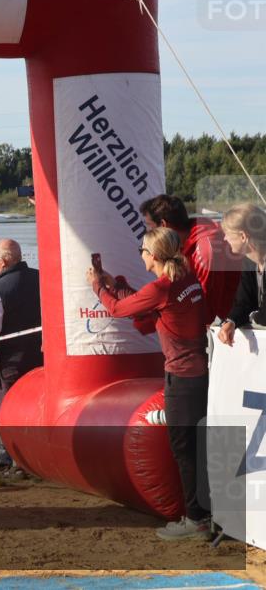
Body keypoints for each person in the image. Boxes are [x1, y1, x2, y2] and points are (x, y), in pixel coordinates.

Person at [87, 227, 213, 541]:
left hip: (182, 378)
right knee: (197, 448)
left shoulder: (163, 286)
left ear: (153, 255)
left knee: (184, 449)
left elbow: (118, 310)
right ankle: (205, 515)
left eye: (142, 249)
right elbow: (144, 306)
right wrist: (117, 285)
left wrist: (98, 288)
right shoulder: (185, 279)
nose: (140, 254)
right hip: (198, 375)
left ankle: (197, 519)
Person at [0, 239, 42, 472]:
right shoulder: (41, 278)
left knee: (10, 413)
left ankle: (19, 462)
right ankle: (36, 459)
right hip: (40, 357)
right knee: (36, 409)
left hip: (11, 362)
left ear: (4, 261)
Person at [140, 194, 241, 321]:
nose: (148, 233)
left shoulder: (205, 249)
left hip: (224, 328)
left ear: (163, 225)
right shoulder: (184, 242)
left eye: (150, 227)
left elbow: (206, 309)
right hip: (217, 323)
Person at [218, 203, 266, 345]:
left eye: (227, 234)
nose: (225, 239)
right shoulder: (249, 261)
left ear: (243, 236)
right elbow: (243, 302)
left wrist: (252, 317)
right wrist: (231, 321)